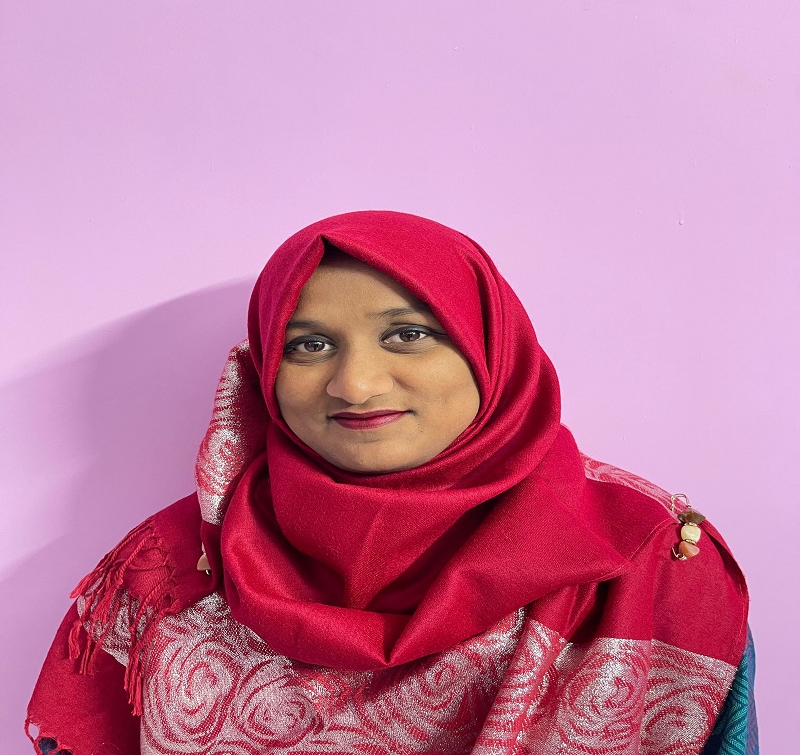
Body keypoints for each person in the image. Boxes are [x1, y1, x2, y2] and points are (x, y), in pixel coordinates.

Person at [27, 211, 757, 755]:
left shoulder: (646, 557)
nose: (356, 383)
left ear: (491, 347)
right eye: (310, 345)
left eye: (408, 334)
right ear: (266, 370)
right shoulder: (174, 568)